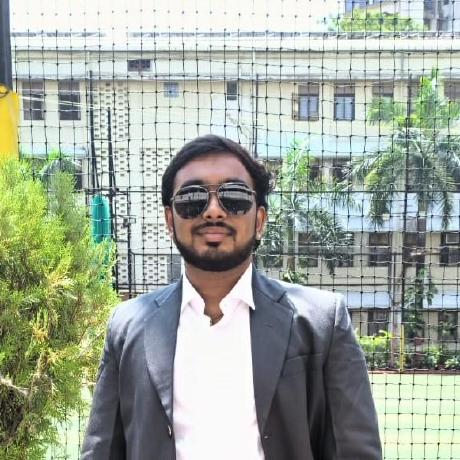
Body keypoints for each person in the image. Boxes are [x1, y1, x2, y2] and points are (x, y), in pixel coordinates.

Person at [81, 134, 382, 460]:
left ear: (260, 220)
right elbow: (101, 452)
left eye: (234, 196)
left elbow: (356, 452)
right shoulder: (128, 326)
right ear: (170, 220)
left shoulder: (322, 322)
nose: (213, 211)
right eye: (192, 198)